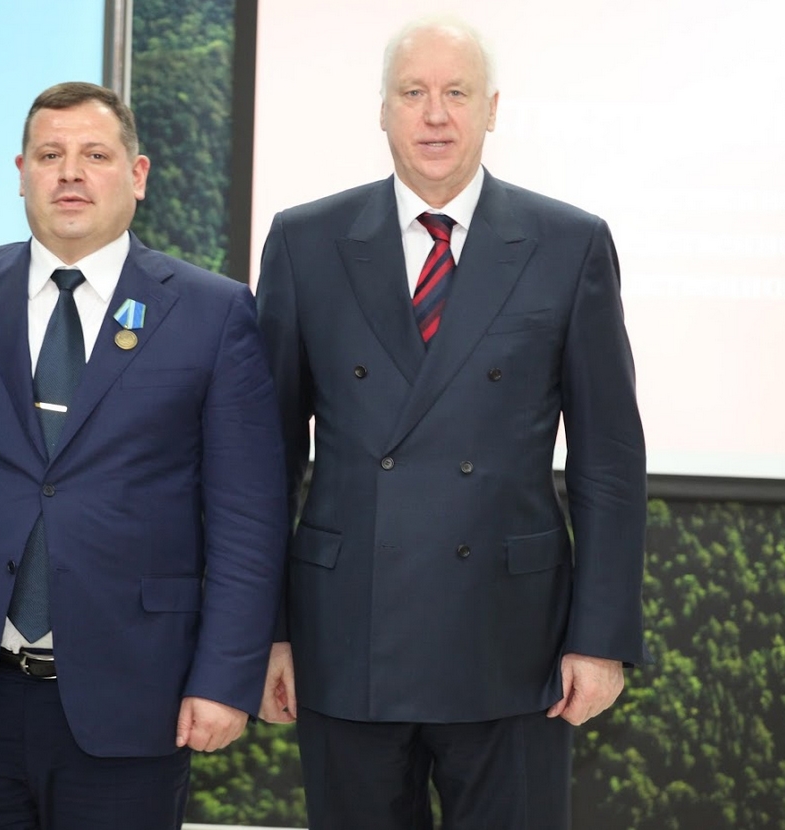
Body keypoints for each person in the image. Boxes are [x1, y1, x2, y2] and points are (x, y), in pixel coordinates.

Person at [0, 82, 288, 828]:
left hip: (137, 698)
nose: (70, 173)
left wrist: (224, 677)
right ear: (22, 173)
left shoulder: (212, 312)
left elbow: (248, 518)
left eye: (95, 155)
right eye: (50, 155)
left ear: (137, 175)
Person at [255, 17, 648, 830]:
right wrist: (266, 633)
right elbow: (266, 462)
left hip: (513, 643)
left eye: (457, 93)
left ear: (491, 108)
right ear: (383, 109)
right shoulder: (305, 241)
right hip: (346, 639)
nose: (435, 114)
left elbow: (608, 461)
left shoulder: (569, 244)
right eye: (413, 93)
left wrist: (601, 638)